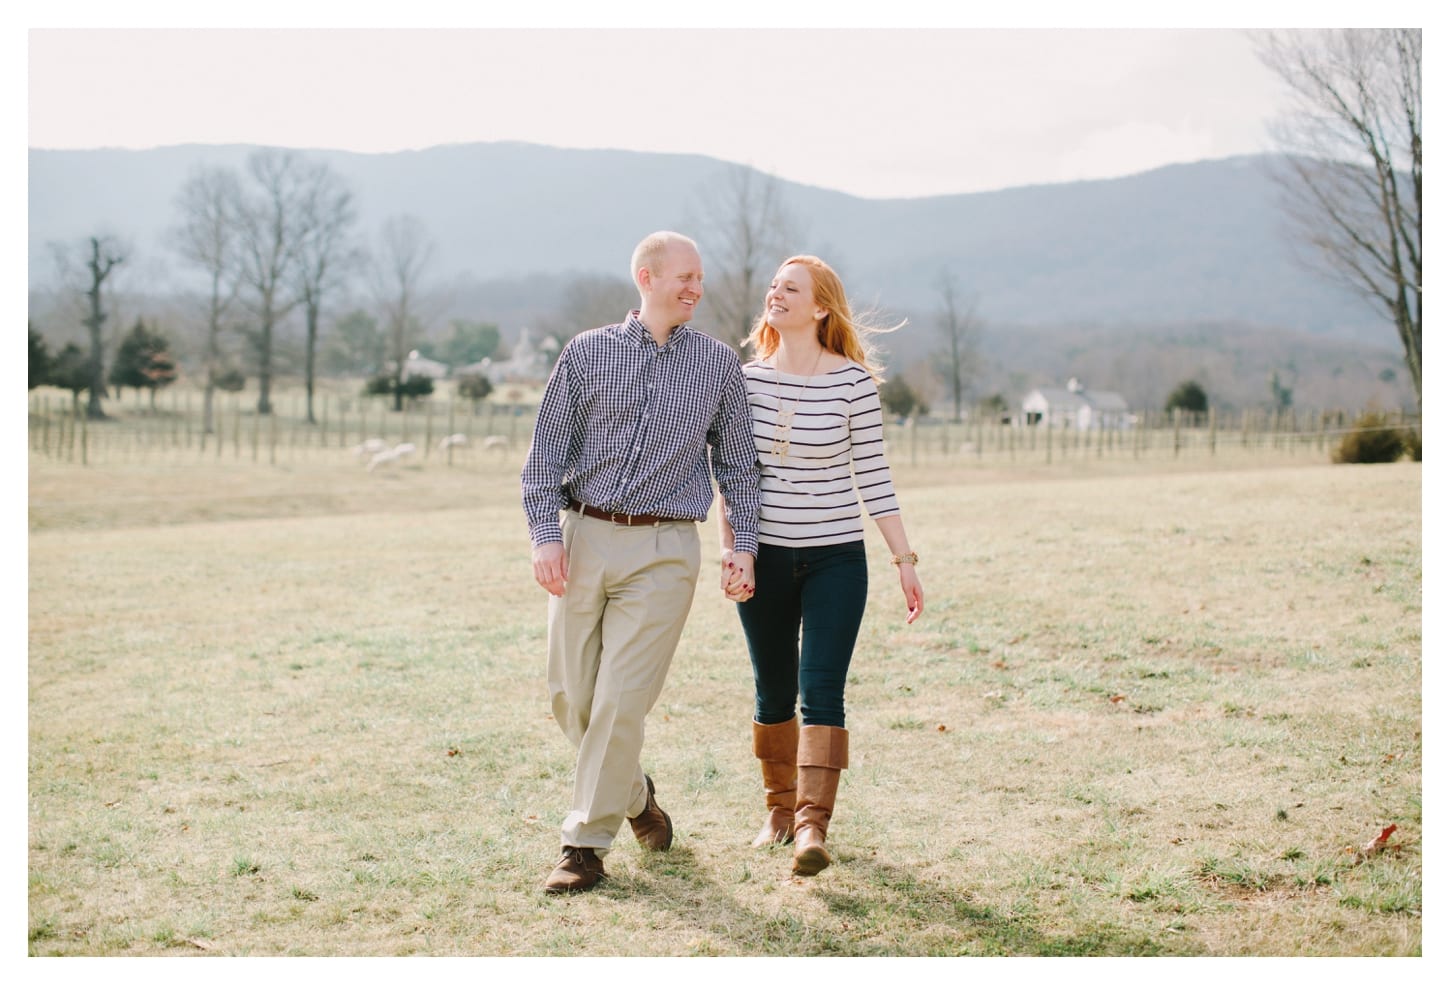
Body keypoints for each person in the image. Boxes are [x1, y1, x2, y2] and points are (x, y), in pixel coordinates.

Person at [522, 231, 761, 895]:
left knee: (621, 698)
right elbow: (543, 458)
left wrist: (744, 546)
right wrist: (545, 536)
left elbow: (740, 466)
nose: (696, 288)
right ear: (646, 276)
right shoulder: (586, 353)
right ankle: (635, 796)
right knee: (570, 699)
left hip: (665, 550)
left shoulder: (717, 366)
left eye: (700, 278)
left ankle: (583, 846)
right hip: (584, 536)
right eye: (684, 276)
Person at [718, 254, 924, 877]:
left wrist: (903, 558)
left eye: (792, 288)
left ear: (820, 307)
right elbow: (734, 477)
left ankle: (812, 825)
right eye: (774, 286)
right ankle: (778, 810)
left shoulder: (853, 383)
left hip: (838, 557)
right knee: (773, 687)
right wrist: (737, 551)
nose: (776, 295)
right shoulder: (745, 381)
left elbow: (876, 477)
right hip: (767, 559)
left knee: (822, 689)